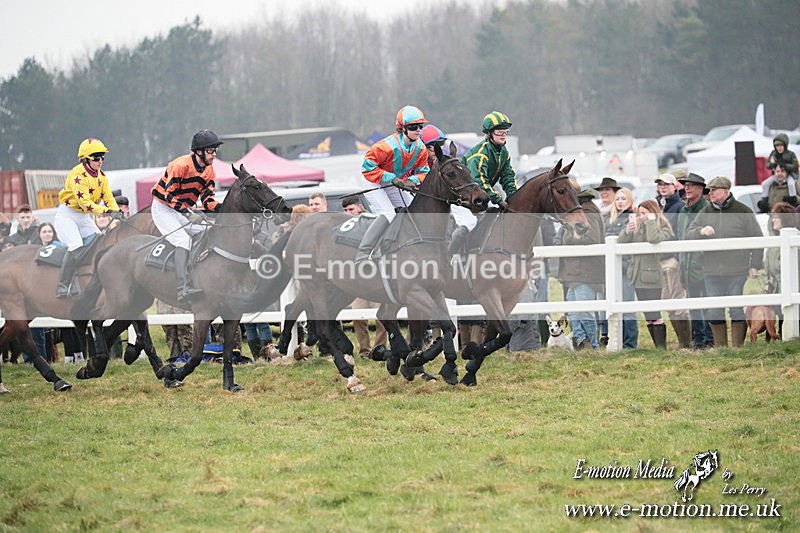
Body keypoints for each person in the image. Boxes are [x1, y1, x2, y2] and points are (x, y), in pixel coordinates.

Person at [685, 176, 763, 347]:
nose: (710, 193)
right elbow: (689, 233)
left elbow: (757, 240)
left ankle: (737, 347)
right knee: (715, 309)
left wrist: (755, 265)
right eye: (710, 190)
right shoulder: (705, 212)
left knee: (736, 308)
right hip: (711, 271)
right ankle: (721, 348)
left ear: (726, 191)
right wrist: (700, 231)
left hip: (737, 270)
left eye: (714, 190)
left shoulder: (743, 211)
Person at [151, 129, 223, 304]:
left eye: (215, 151)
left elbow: (208, 200)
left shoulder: (210, 171)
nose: (214, 155)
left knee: (205, 231)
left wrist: (223, 209)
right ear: (199, 151)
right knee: (183, 240)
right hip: (163, 208)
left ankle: (196, 274)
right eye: (210, 151)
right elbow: (168, 196)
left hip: (182, 209)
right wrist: (188, 214)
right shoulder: (180, 165)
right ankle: (182, 288)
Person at [357, 105, 429, 262]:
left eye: (420, 126)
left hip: (393, 182)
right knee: (389, 212)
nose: (418, 130)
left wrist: (412, 180)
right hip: (371, 179)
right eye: (413, 127)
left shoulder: (421, 148)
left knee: (413, 210)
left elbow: (424, 171)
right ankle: (364, 252)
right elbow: (367, 168)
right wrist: (392, 178)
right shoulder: (385, 147)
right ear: (402, 128)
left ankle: (401, 246)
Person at [53, 138, 121, 297]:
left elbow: (109, 197)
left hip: (83, 217)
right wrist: (107, 211)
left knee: (99, 240)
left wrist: (116, 210)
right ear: (85, 159)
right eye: (96, 158)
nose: (100, 161)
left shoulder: (101, 176)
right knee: (76, 245)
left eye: (102, 157)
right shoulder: (77, 174)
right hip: (67, 216)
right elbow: (85, 204)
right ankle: (62, 286)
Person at [618, 199, 674, 348]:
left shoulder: (664, 227)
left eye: (644, 213)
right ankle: (657, 347)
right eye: (639, 213)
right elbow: (620, 242)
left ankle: (661, 348)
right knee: (648, 315)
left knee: (654, 313)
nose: (640, 216)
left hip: (652, 276)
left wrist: (650, 221)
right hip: (636, 275)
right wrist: (629, 230)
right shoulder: (638, 226)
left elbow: (653, 239)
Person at [558, 182, 604, 350]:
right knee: (573, 310)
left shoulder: (587, 211)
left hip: (586, 270)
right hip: (577, 271)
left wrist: (568, 238)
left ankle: (592, 346)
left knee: (584, 311)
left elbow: (592, 239)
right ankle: (583, 341)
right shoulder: (580, 210)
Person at [676, 172, 714, 349]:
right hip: (687, 264)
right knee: (693, 304)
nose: (687, 188)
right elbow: (680, 238)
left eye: (691, 185)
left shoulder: (707, 208)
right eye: (685, 185)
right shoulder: (683, 211)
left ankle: (708, 339)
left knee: (706, 303)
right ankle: (698, 340)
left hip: (703, 264)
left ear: (701, 188)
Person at [654, 173, 691, 348]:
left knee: (678, 300)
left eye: (666, 184)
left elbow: (680, 232)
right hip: (659, 259)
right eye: (660, 184)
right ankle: (681, 341)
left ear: (674, 186)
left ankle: (686, 342)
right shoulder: (657, 206)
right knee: (667, 301)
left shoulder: (679, 207)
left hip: (673, 258)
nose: (662, 187)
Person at [603, 187, 639, 349]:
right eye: (618, 199)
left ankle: (630, 343)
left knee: (627, 305)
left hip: (625, 268)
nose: (620, 201)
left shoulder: (632, 218)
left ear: (629, 200)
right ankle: (615, 340)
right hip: (609, 268)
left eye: (623, 199)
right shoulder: (608, 219)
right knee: (611, 305)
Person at [763, 202, 796, 336]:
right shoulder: (773, 238)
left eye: (777, 217)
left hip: (787, 285)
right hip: (775, 285)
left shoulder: (792, 239)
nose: (773, 220)